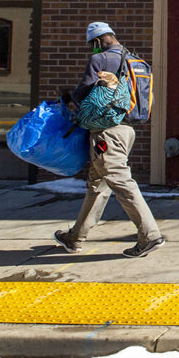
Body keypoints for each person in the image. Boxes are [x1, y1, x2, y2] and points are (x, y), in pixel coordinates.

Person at [53, 21, 166, 255]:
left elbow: (83, 93)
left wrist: (68, 96)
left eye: (92, 44)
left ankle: (150, 236)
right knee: (97, 184)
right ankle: (75, 237)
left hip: (107, 132)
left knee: (120, 181)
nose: (92, 49)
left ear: (97, 41)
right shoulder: (136, 60)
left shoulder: (100, 60)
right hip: (127, 130)